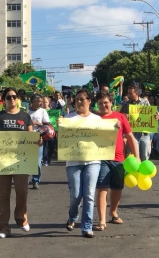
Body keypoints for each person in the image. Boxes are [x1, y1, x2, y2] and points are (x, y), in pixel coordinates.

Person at [0, 87, 37, 238]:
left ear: (18, 99)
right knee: (4, 194)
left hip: (21, 161)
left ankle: (21, 219)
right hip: (1, 161)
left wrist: (38, 141)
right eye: (8, 97)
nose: (12, 99)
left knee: (22, 191)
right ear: (3, 100)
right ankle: (3, 227)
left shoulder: (25, 117)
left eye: (14, 96)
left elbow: (31, 138)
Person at [94, 91, 139, 231]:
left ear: (111, 103)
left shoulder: (120, 117)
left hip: (119, 159)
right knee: (102, 188)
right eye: (100, 103)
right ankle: (101, 220)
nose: (103, 105)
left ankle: (113, 212)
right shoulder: (93, 118)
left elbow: (130, 137)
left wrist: (137, 156)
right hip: (100, 158)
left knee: (117, 187)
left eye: (105, 102)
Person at [63, 89, 101, 238]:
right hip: (73, 162)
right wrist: (61, 127)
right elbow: (63, 140)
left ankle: (87, 227)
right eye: (77, 99)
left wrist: (114, 129)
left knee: (89, 194)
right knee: (76, 194)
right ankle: (72, 216)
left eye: (82, 99)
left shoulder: (97, 120)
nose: (79, 102)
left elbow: (105, 137)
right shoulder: (69, 118)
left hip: (93, 161)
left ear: (89, 101)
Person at [28, 94, 50, 189]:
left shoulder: (42, 111)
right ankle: (23, 178)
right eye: (39, 101)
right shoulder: (25, 111)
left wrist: (37, 123)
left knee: (37, 161)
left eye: (41, 101)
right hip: (26, 138)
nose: (41, 103)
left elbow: (47, 125)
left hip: (38, 138)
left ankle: (36, 180)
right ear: (32, 101)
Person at [127, 85, 153, 161]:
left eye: (131, 93)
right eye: (128, 93)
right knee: (135, 155)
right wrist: (126, 115)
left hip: (144, 132)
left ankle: (144, 172)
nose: (129, 95)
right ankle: (136, 172)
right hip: (132, 133)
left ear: (136, 93)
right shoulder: (126, 104)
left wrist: (156, 115)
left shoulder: (145, 102)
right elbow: (121, 116)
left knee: (145, 155)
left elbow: (151, 114)